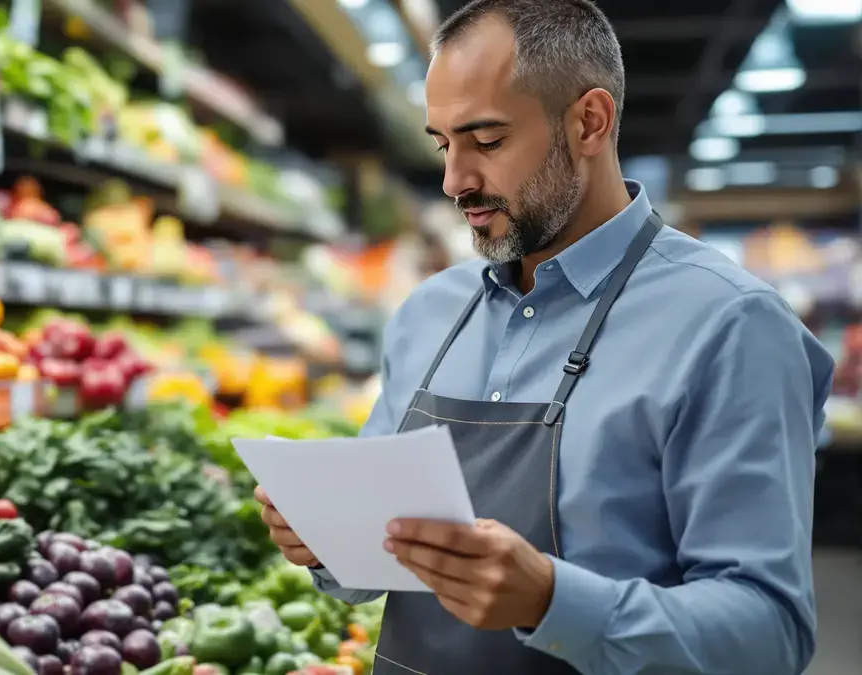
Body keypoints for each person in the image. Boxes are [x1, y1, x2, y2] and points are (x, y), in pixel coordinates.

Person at [255, 1, 834, 673]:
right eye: (445, 143)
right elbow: (379, 559)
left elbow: (769, 633)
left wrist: (555, 601)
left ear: (589, 121)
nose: (454, 181)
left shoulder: (731, 327)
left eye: (488, 141)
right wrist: (328, 538)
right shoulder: (429, 314)